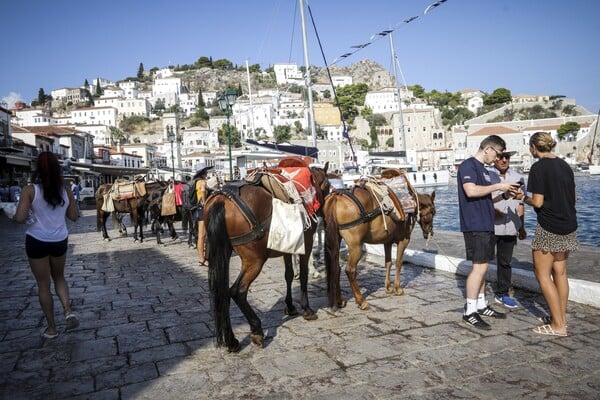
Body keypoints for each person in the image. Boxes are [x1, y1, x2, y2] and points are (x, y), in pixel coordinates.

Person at [457, 135, 521, 330]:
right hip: (475, 225)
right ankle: (470, 311)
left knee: (483, 267)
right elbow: (470, 191)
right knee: (479, 268)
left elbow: (484, 197)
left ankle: (481, 304)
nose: (498, 159)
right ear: (488, 149)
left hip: (486, 224)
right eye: (497, 154)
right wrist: (498, 185)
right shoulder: (469, 165)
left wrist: (503, 194)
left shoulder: (484, 170)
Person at [13, 152, 80, 339]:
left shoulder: (30, 190)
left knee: (43, 284)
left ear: (37, 169)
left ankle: (52, 329)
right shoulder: (66, 191)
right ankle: (68, 310)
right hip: (59, 240)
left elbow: (20, 218)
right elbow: (74, 217)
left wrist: (12, 213)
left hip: (37, 240)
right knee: (59, 277)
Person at [523, 131, 578, 337]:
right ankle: (559, 317)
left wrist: (522, 198)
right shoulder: (564, 165)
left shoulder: (538, 168)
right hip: (569, 225)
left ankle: (558, 326)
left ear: (534, 148)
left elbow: (537, 202)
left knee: (543, 275)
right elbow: (574, 196)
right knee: (560, 273)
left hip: (549, 226)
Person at [487, 151, 526, 309]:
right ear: (495, 159)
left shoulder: (518, 178)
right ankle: (478, 293)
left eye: (507, 157)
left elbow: (521, 203)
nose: (504, 160)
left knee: (505, 262)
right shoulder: (487, 176)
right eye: (501, 157)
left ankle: (502, 293)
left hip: (510, 226)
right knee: (483, 260)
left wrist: (522, 226)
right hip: (490, 225)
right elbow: (482, 201)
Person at [192, 165, 213, 266]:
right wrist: (204, 202)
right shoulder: (202, 182)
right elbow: (203, 191)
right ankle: (202, 258)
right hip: (202, 208)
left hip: (199, 208)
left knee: (202, 235)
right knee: (202, 235)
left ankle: (203, 257)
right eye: (205, 171)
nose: (207, 173)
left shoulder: (197, 182)